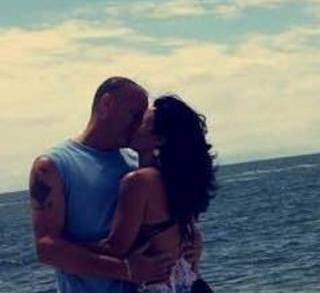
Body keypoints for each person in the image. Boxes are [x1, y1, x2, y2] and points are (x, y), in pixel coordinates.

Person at [29, 76, 198, 292]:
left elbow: (174, 221)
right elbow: (46, 248)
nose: (138, 124)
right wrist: (124, 270)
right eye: (134, 115)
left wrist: (193, 242)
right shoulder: (52, 166)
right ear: (106, 104)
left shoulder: (138, 164)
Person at [87, 94, 218, 292]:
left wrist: (60, 248)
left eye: (140, 121)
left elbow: (115, 248)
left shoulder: (139, 181)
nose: (131, 124)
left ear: (159, 140)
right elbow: (189, 235)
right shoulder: (175, 180)